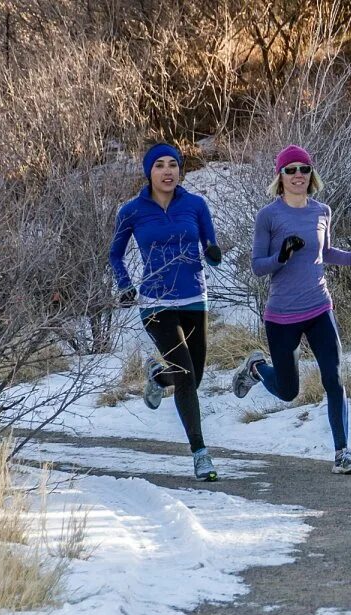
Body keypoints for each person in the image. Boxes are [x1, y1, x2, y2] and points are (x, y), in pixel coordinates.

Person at [232, 144, 351, 475]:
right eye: (291, 170)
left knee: (335, 378)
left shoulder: (321, 211)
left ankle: (342, 452)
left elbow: (325, 252)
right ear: (280, 176)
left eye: (304, 169)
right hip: (282, 315)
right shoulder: (268, 216)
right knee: (288, 392)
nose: (298, 175)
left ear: (311, 174)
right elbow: (258, 267)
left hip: (318, 307)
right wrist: (282, 256)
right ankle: (257, 368)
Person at [109, 142, 224, 482]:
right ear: (149, 172)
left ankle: (158, 377)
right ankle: (201, 454)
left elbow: (210, 245)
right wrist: (125, 284)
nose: (167, 170)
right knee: (187, 376)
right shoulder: (131, 211)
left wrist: (214, 252)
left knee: (195, 376)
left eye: (172, 164)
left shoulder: (196, 205)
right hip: (155, 302)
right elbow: (115, 254)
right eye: (159, 165)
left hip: (193, 298)